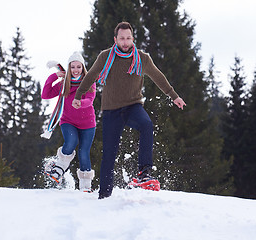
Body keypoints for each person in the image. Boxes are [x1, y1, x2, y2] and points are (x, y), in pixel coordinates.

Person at [72, 22, 186, 199]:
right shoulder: (105, 57)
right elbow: (91, 75)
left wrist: (174, 96)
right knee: (109, 153)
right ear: (115, 39)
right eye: (122, 38)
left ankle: (144, 173)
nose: (125, 42)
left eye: (128, 38)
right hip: (111, 110)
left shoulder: (142, 58)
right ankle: (104, 195)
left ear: (133, 38)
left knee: (146, 125)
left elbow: (158, 76)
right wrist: (78, 95)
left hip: (133, 106)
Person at [41, 51, 97, 192]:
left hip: (88, 124)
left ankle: (85, 187)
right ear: (69, 68)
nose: (76, 70)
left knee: (84, 152)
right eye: (73, 67)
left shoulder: (90, 82)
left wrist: (81, 102)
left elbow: (90, 99)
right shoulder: (64, 84)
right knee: (71, 142)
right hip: (68, 121)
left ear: (83, 68)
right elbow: (45, 95)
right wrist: (54, 76)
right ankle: (59, 167)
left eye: (79, 67)